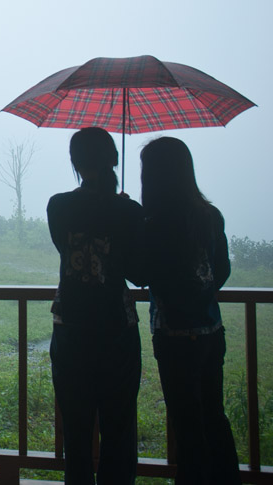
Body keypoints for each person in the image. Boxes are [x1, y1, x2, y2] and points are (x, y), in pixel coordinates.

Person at [47, 127, 146, 484]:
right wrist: (129, 213)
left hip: (70, 327)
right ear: (112, 159)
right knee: (118, 430)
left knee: (76, 431)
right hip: (116, 330)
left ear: (74, 161)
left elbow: (65, 247)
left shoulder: (58, 206)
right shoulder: (128, 211)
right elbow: (139, 275)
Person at [141, 136, 241, 484]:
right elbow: (222, 269)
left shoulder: (154, 224)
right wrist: (203, 294)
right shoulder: (210, 215)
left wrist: (131, 224)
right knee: (214, 416)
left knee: (186, 423)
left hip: (173, 335)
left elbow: (139, 275)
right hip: (211, 331)